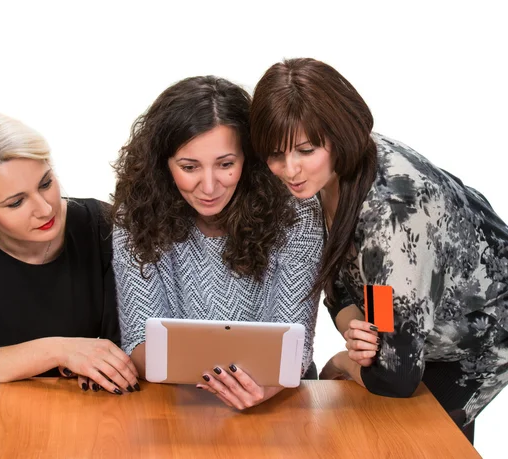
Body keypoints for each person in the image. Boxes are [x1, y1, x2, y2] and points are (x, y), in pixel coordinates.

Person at [250, 57, 508, 442]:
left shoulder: (392, 216)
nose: (290, 170)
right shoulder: (324, 175)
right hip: (413, 323)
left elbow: (396, 378)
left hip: (479, 337)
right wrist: (355, 327)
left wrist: (342, 362)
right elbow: (339, 285)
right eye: (275, 154)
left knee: (412, 437)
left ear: (338, 135)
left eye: (305, 150)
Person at [0, 112, 139, 459]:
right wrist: (60, 350)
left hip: (74, 397)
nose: (45, 208)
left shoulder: (99, 225)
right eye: (16, 202)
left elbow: (124, 338)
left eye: (46, 183)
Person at [111, 75, 323, 410]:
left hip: (275, 398)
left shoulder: (295, 210)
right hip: (176, 400)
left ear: (249, 159)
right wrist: (215, 381)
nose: (208, 187)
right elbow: (140, 338)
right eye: (189, 167)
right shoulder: (137, 213)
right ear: (162, 165)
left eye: (226, 164)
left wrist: (262, 389)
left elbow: (296, 344)